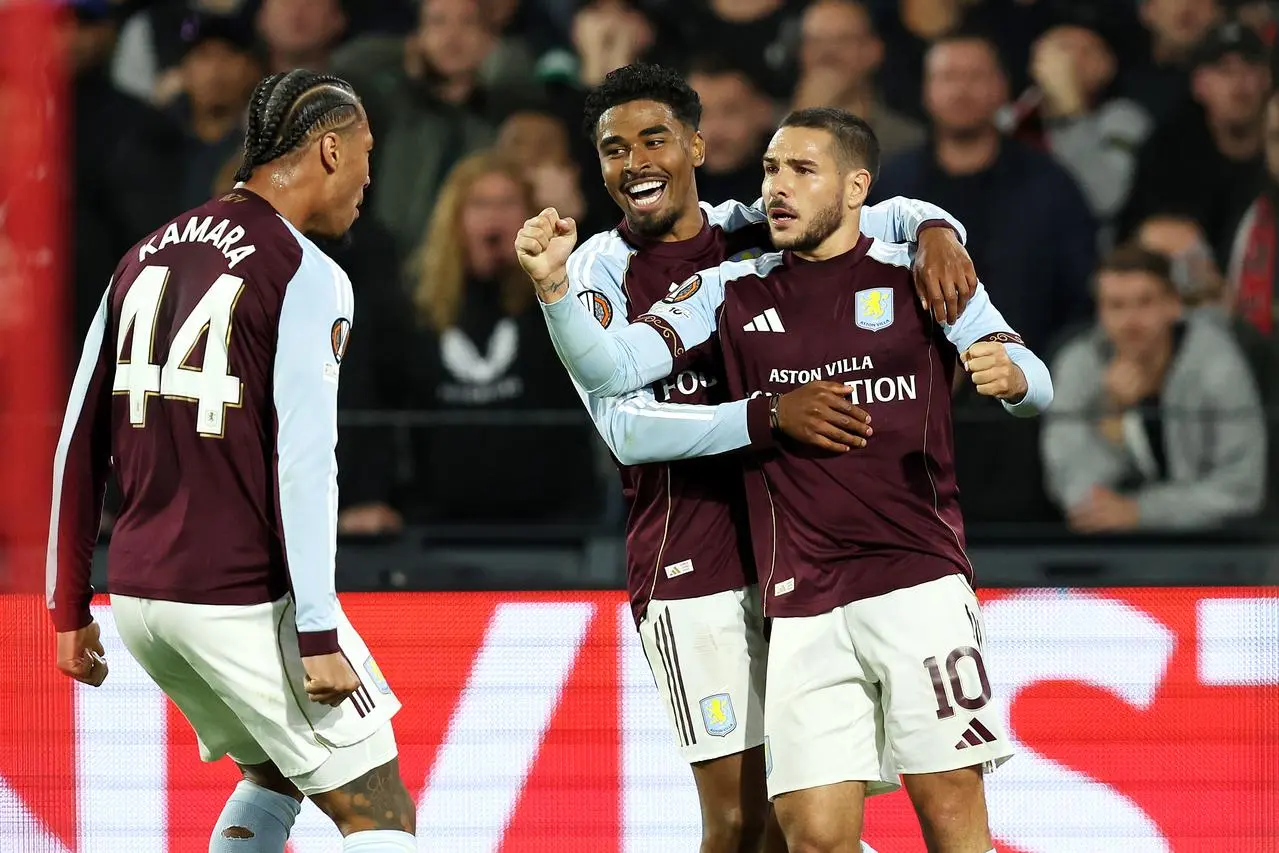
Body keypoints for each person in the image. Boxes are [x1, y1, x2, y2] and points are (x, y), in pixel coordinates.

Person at [517, 106, 1054, 852]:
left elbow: (1031, 374)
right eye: (770, 168)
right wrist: (552, 292)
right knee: (803, 833)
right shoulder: (726, 286)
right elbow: (612, 379)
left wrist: (1012, 376)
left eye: (801, 170)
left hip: (914, 581)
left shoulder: (914, 271)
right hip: (791, 596)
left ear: (854, 185)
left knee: (951, 810)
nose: (777, 186)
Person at [46, 70, 417, 853]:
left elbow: (79, 437)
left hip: (142, 597)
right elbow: (306, 458)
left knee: (273, 774)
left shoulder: (142, 254)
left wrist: (70, 606)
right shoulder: (306, 272)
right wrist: (317, 632)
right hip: (240, 596)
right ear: (328, 148)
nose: (368, 176)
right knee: (379, 810)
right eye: (365, 152)